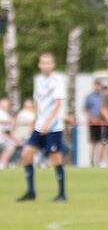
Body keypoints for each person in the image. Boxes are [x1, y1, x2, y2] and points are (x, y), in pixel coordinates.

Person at [16, 52, 67, 202]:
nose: (46, 65)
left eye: (49, 63)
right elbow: (37, 102)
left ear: (53, 65)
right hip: (39, 126)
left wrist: (47, 122)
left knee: (55, 159)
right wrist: (35, 122)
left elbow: (57, 103)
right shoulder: (37, 80)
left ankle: (62, 194)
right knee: (26, 154)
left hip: (54, 127)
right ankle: (31, 191)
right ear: (39, 65)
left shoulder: (58, 80)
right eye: (43, 63)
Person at [83, 79, 106, 166]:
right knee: (93, 142)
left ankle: (99, 162)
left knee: (101, 142)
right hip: (92, 122)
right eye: (96, 85)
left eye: (99, 85)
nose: (97, 86)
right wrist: (91, 118)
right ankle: (92, 162)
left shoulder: (104, 96)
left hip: (102, 122)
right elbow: (85, 109)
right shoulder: (89, 96)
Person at [0, 97, 19, 169]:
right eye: (4, 102)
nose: (6, 104)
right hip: (2, 136)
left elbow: (8, 130)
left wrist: (16, 138)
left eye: (7, 103)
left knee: (11, 145)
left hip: (3, 136)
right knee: (10, 145)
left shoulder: (6, 114)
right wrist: (9, 121)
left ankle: (2, 163)